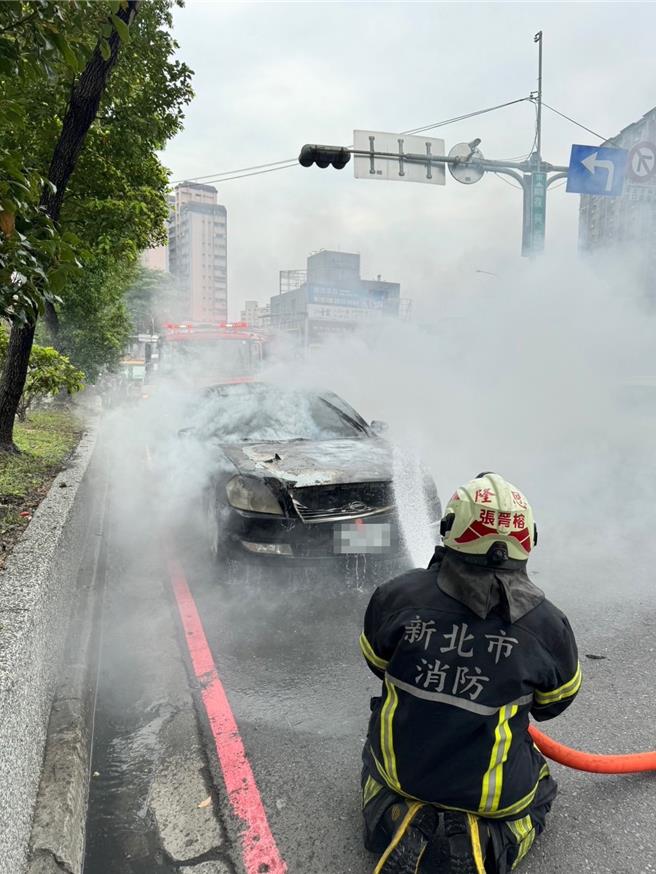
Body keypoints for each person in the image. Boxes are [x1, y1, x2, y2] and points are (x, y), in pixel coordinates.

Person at [360, 472, 580, 873]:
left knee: (374, 770)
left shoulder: (395, 597)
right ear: (528, 538)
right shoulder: (548, 626)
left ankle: (392, 818)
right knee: (540, 787)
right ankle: (490, 842)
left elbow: (378, 663)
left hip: (401, 772)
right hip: (490, 794)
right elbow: (553, 704)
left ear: (451, 529)